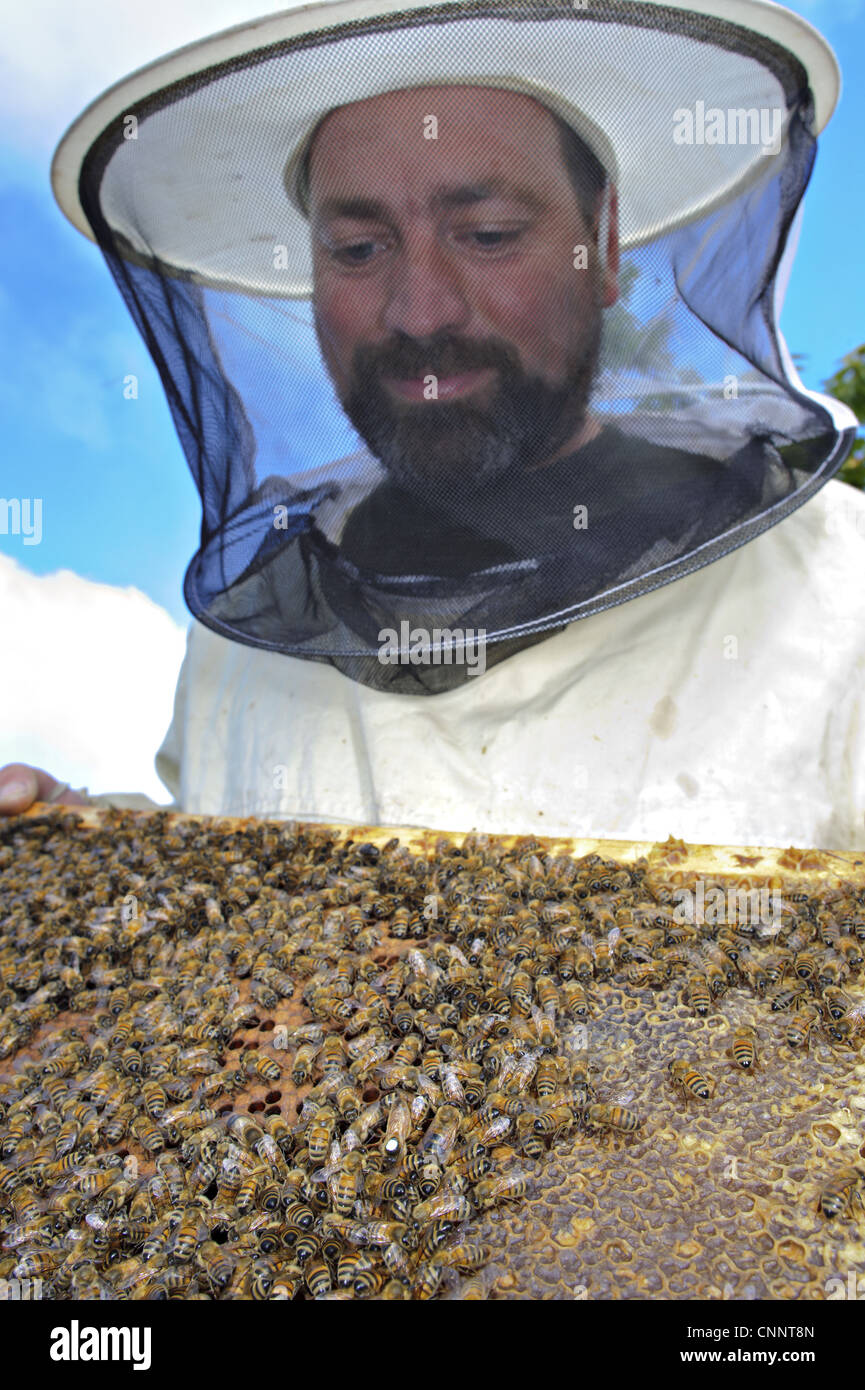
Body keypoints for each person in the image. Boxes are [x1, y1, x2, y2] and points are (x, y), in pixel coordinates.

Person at [4, 3, 863, 850]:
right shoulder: (245, 647)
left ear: (599, 247)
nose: (420, 312)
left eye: (487, 234)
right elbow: (218, 900)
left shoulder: (835, 590)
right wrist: (75, 838)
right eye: (358, 248)